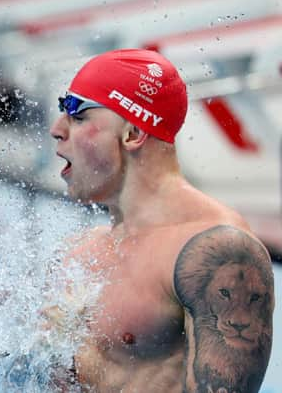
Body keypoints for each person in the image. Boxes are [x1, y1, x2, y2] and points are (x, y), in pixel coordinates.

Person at [46, 48, 274, 392]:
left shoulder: (218, 252)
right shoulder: (81, 250)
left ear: (133, 134)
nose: (56, 129)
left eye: (78, 116)